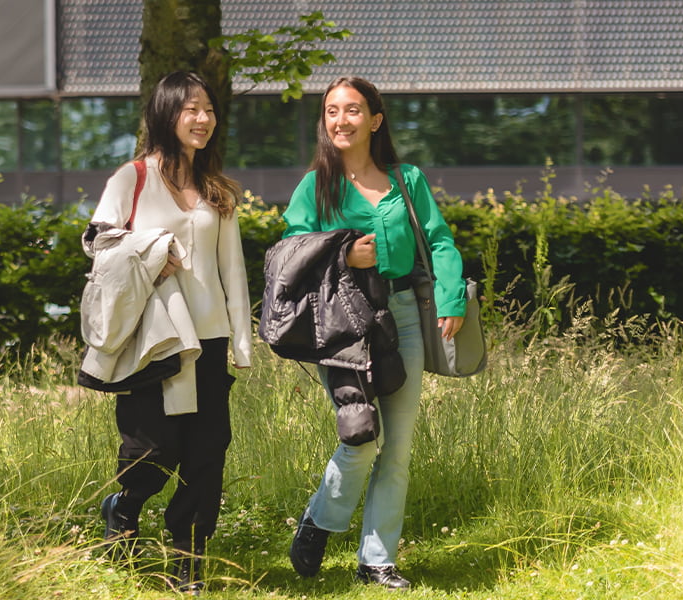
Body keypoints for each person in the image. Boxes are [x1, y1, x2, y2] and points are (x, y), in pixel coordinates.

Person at [282, 76, 467, 590]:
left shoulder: (408, 179)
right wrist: (342, 252)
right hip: (343, 325)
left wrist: (451, 299)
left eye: (353, 110)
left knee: (399, 446)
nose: (341, 120)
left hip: (404, 316)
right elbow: (291, 252)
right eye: (332, 111)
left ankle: (377, 560)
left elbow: (440, 241)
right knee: (360, 437)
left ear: (375, 120)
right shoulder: (315, 184)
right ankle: (321, 519)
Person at [86, 71, 253, 592]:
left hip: (208, 339)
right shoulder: (132, 178)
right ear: (167, 113)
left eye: (209, 109)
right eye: (192, 109)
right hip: (153, 338)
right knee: (152, 449)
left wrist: (241, 341)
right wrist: (152, 250)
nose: (203, 119)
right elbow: (97, 244)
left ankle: (189, 559)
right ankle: (125, 508)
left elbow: (234, 270)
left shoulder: (217, 191)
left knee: (207, 454)